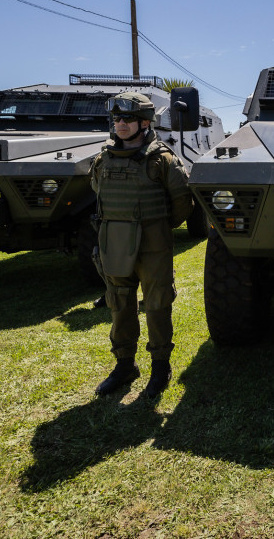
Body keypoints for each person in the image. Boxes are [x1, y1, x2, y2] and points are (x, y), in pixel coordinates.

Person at [90, 91, 192, 397]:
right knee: (119, 302)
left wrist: (156, 226)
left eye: (128, 118)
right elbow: (98, 193)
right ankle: (125, 365)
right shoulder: (102, 159)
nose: (120, 124)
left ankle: (160, 367)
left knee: (158, 303)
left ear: (145, 123)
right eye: (116, 118)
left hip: (153, 242)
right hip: (115, 241)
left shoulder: (162, 160)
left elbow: (182, 204)